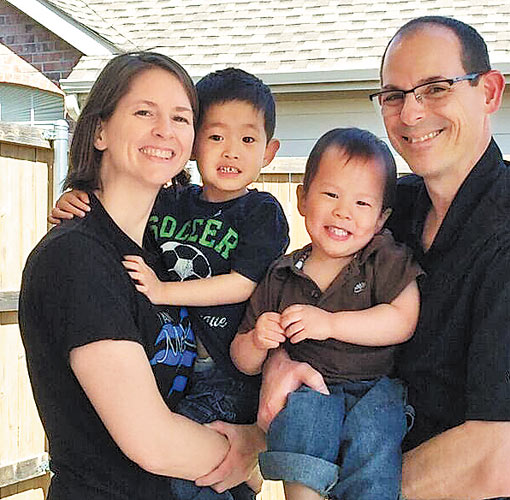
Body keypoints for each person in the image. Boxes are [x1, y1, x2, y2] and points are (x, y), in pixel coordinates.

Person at [258, 16, 510, 500]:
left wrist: (353, 488)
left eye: (435, 88)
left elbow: (497, 453)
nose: (410, 115)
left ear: (490, 93)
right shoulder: (387, 211)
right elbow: (298, 293)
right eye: (394, 95)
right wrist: (279, 361)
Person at [19, 52, 266, 500]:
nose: (164, 130)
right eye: (144, 112)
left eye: (180, 117)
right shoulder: (77, 256)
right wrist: (246, 450)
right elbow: (151, 440)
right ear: (99, 131)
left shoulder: (160, 254)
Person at [49, 68, 289, 433]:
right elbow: (119, 211)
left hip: (227, 369)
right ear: (194, 145)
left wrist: (163, 291)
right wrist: (78, 198)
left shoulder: (261, 212)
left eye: (247, 140)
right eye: (216, 136)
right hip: (175, 360)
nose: (231, 152)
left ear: (269, 152)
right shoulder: (170, 201)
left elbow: (242, 284)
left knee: (186, 465)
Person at [231, 127, 422, 499]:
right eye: (331, 194)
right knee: (303, 415)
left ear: (381, 219)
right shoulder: (282, 274)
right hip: (310, 388)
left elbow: (403, 319)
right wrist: (258, 340)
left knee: (376, 434)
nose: (343, 212)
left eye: (362, 204)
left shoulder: (382, 259)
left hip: (372, 387)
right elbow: (242, 359)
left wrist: (331, 323)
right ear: (303, 199)